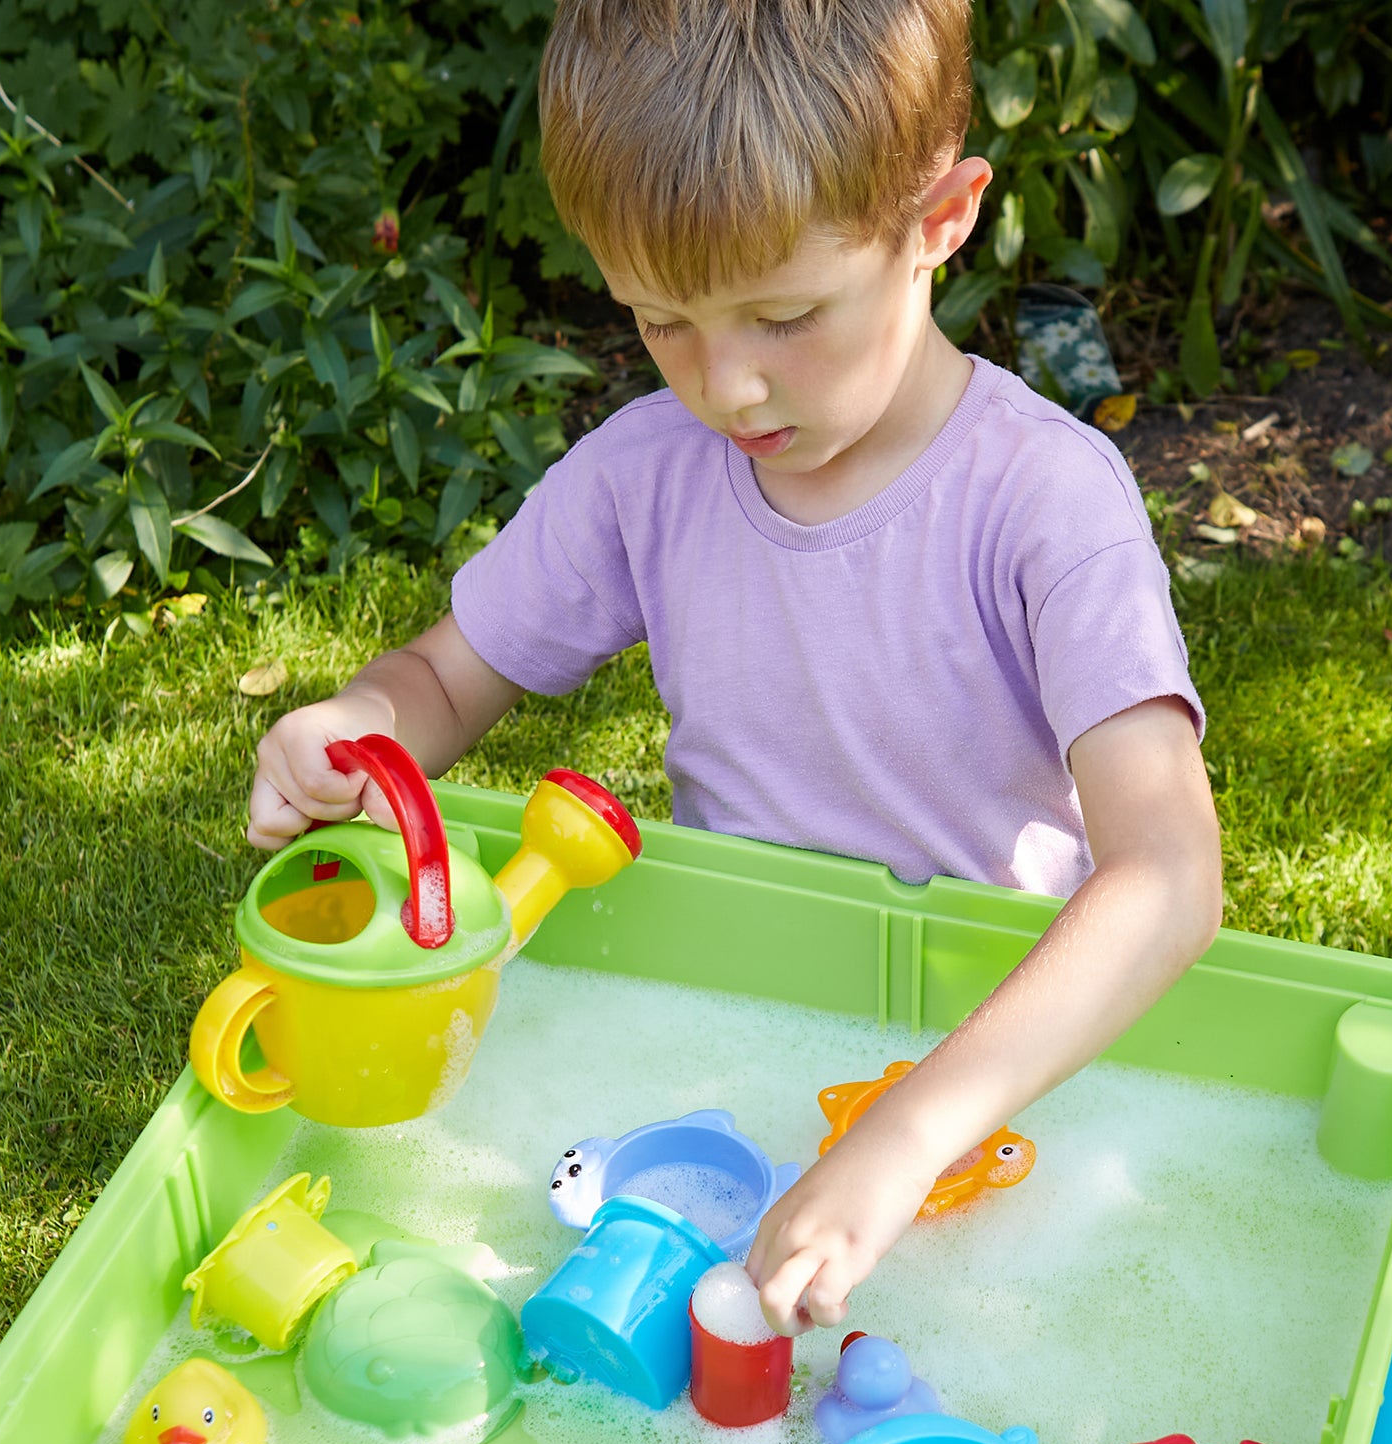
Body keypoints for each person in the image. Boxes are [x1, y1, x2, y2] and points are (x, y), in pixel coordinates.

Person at [246, 0, 1221, 1338]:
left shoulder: (1045, 501)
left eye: (785, 316)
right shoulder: (651, 472)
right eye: (663, 322)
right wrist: (361, 725)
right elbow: (451, 674)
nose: (731, 389)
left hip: (980, 1071)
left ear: (940, 221)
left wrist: (908, 1132)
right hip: (729, 1016)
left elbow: (1168, 877)